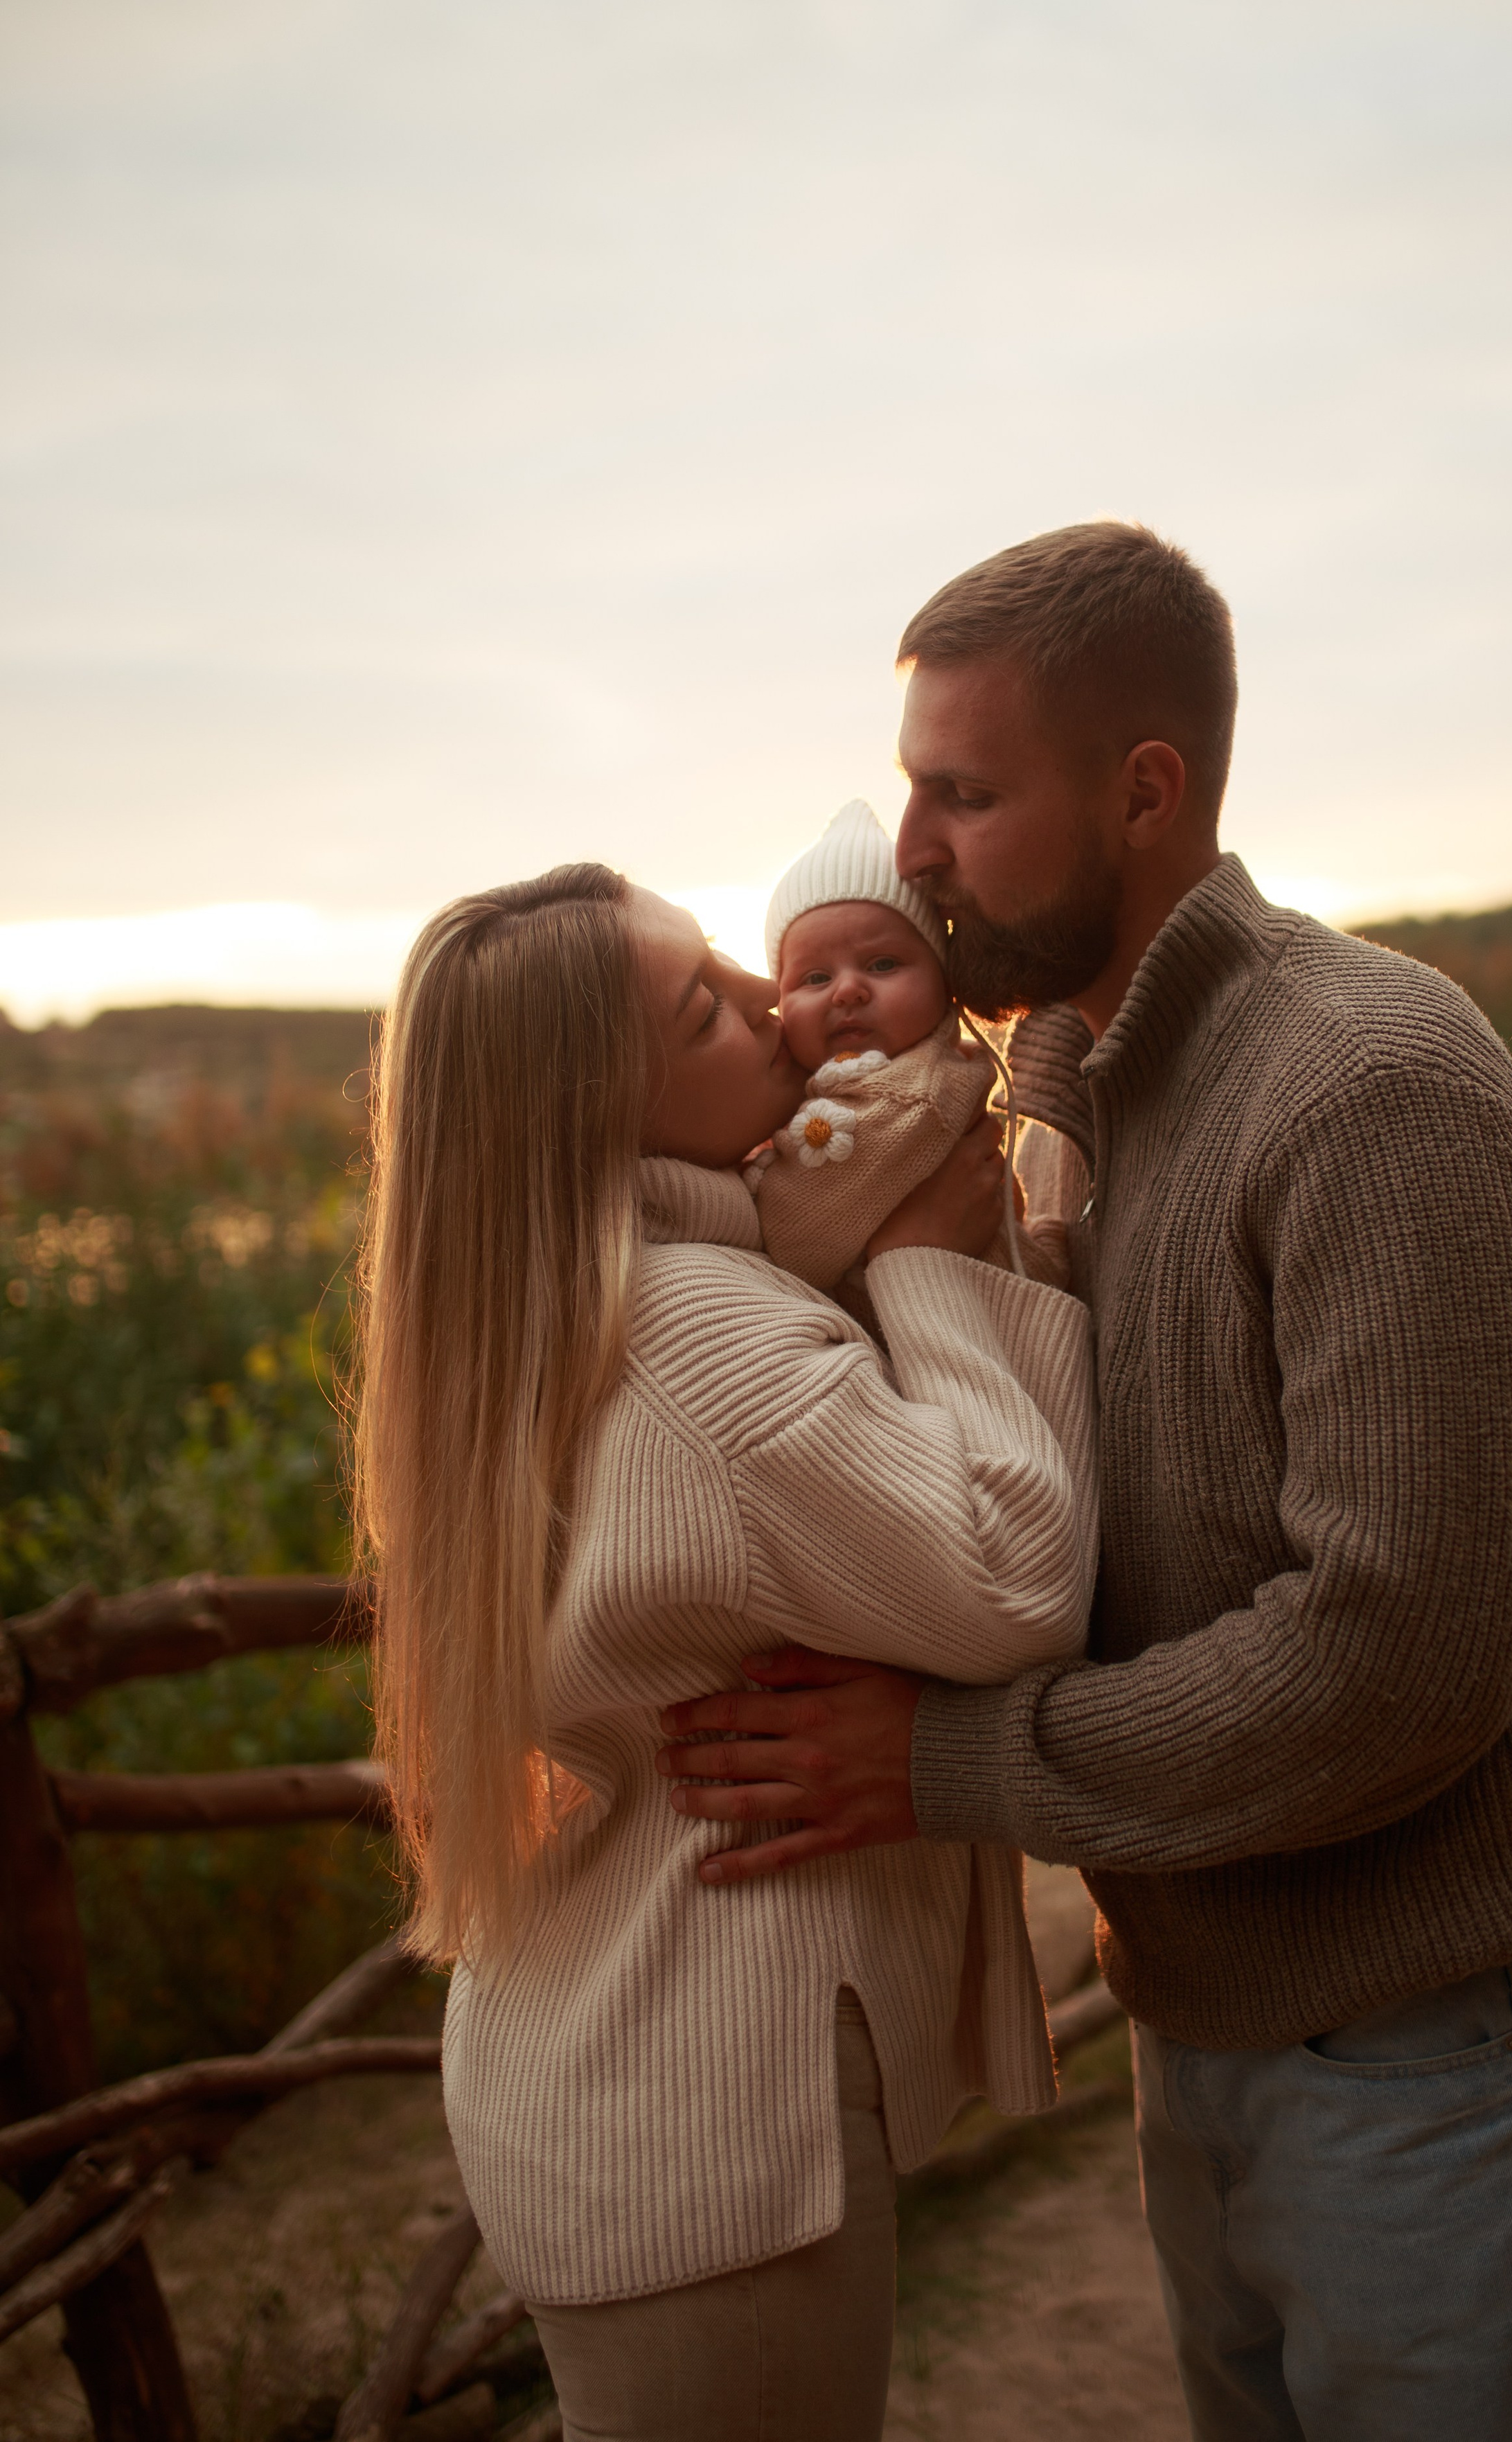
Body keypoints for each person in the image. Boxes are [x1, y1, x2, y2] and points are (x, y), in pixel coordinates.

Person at [655, 520, 1512, 2441]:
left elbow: (1391, 1661)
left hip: (1449, 2044)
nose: (919, 849)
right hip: (1211, 2029)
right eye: (912, 791)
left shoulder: (1367, 1081)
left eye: (964, 794)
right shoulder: (1062, 1112)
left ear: (1147, 792)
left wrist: (938, 1765)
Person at [350, 862, 1097, 2442]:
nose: (776, 1000)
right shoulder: (693, 1336)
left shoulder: (552, 1317)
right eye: (705, 1005)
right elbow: (1015, 1568)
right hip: (695, 2129)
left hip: (599, 2070)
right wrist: (936, 1255)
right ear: (593, 1111)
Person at [749, 794, 1069, 1293]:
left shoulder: (915, 1097)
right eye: (815, 977)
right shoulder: (830, 1088)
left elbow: (793, 1238)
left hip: (993, 1330)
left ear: (944, 983)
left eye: (882, 965)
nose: (848, 989)